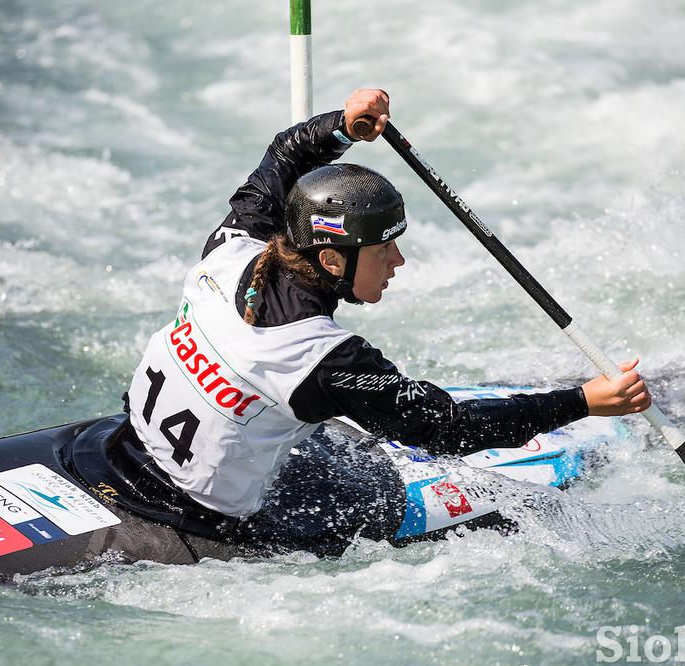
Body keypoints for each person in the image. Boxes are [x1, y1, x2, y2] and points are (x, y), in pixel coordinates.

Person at [124, 88, 650, 554]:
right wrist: (583, 402)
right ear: (332, 260)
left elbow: (284, 155)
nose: (398, 261)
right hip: (208, 517)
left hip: (127, 447)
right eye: (384, 248)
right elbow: (449, 428)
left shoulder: (231, 247)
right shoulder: (325, 360)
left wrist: (340, 125)